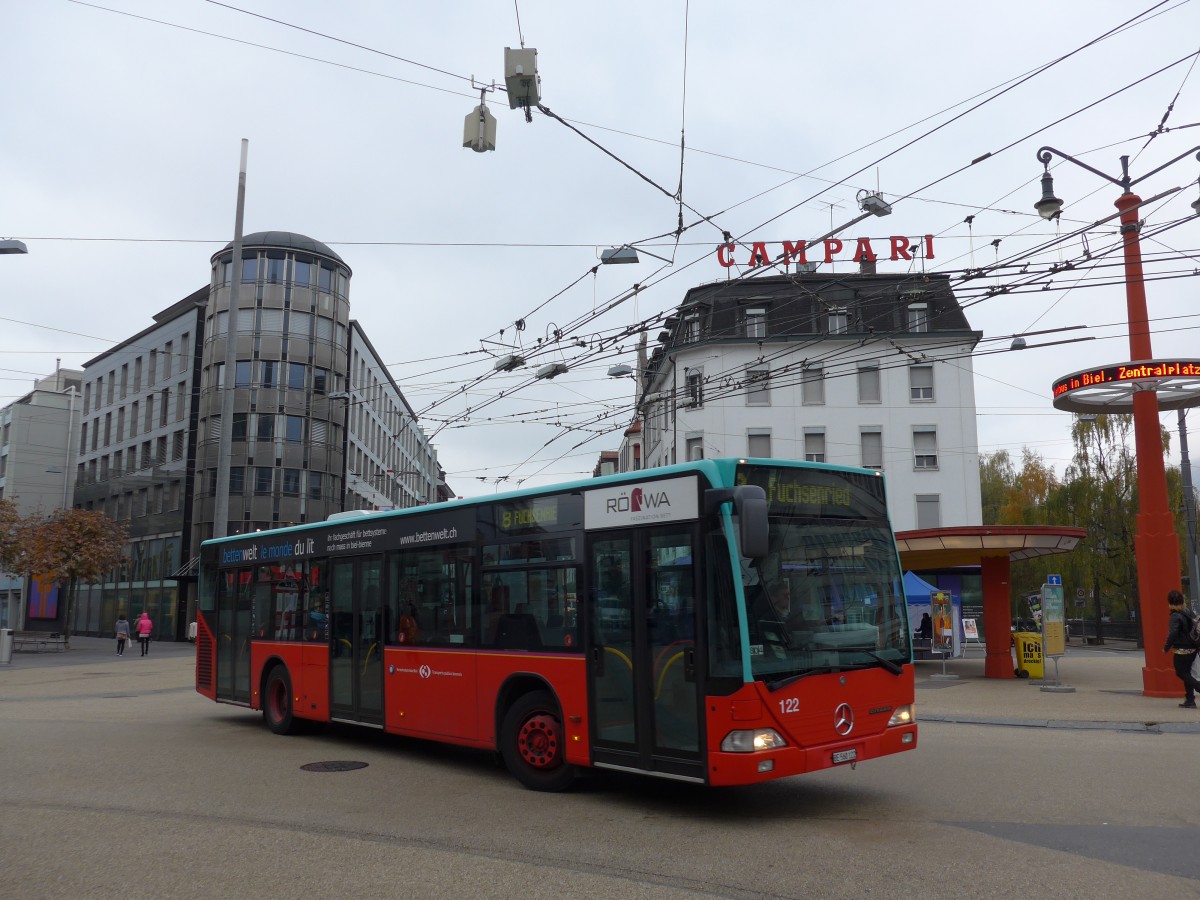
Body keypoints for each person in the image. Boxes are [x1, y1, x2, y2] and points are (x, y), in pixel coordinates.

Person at [1161, 589, 1199, 709]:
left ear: (1170, 602)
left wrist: (1166, 647)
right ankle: (1190, 699)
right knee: (1187, 673)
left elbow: (1173, 633)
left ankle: (1197, 689)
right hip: (1193, 647)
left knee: (1181, 672)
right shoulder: (1188, 611)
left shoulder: (1175, 615)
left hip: (1182, 650)